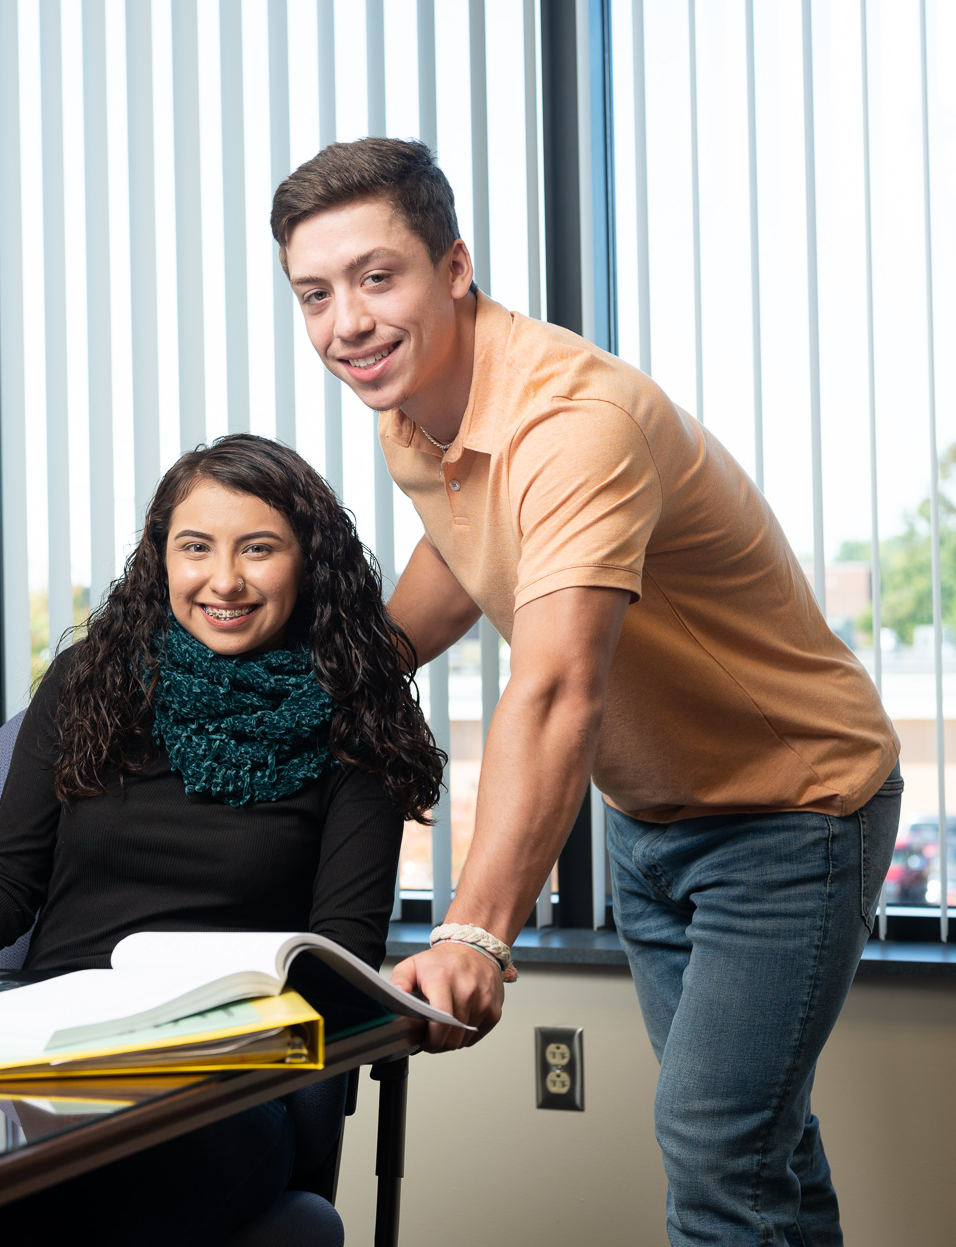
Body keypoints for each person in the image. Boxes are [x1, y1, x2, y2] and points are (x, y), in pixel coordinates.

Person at [272, 138, 900, 1247]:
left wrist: (475, 930)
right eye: (313, 295)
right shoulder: (411, 408)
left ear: (453, 267)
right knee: (758, 1145)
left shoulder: (571, 426)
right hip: (653, 819)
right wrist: (316, 685)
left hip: (791, 813)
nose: (345, 325)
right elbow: (463, 557)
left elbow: (557, 684)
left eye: (376, 278)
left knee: (715, 1146)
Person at [0, 433, 443, 1246]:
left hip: (222, 1079)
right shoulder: (90, 679)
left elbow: (342, 952)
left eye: (259, 549)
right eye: (196, 547)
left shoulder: (357, 720)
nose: (225, 579)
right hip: (53, 1051)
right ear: (161, 559)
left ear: (308, 562)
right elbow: (4, 885)